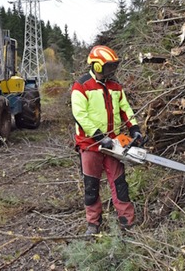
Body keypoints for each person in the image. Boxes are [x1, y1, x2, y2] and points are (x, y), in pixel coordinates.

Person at [71, 45, 143, 235]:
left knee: (119, 183)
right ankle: (93, 223)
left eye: (113, 67)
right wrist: (98, 137)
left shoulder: (115, 86)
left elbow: (125, 108)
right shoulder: (82, 85)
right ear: (96, 66)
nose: (111, 71)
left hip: (113, 144)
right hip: (91, 145)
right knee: (91, 185)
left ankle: (127, 220)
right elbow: (80, 115)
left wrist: (134, 128)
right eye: (108, 67)